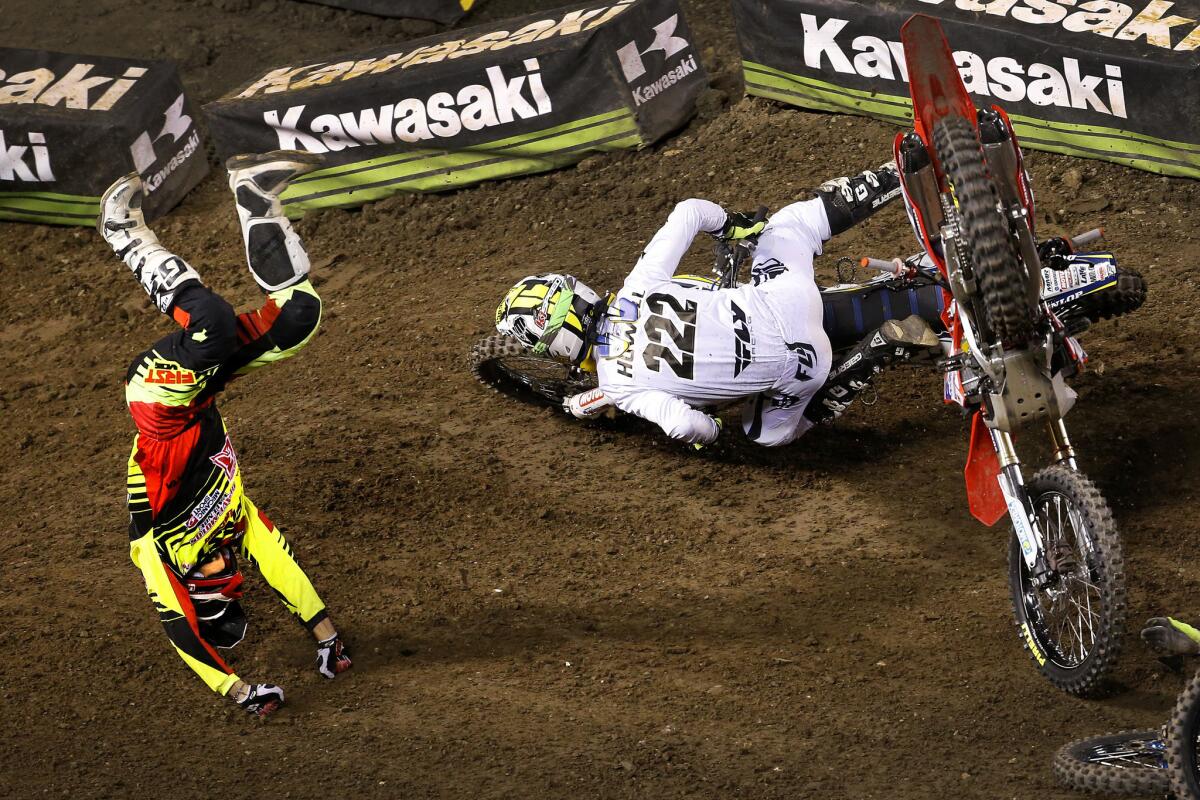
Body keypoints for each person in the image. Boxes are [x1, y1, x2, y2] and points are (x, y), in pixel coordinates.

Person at [98, 150, 351, 718]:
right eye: (232, 573)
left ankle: (123, 233)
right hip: (202, 395)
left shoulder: (158, 554)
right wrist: (327, 636)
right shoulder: (238, 524)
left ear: (196, 584)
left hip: (159, 406)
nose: (228, 565)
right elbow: (283, 566)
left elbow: (183, 636)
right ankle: (258, 196)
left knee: (209, 322)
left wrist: (238, 692)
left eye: (217, 577)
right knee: (297, 319)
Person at [493, 163, 941, 447]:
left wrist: (712, 433)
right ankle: (902, 170)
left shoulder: (621, 387)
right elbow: (690, 211)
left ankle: (878, 351)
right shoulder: (636, 285)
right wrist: (733, 228)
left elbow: (689, 428)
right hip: (787, 298)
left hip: (803, 368)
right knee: (788, 225)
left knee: (765, 435)